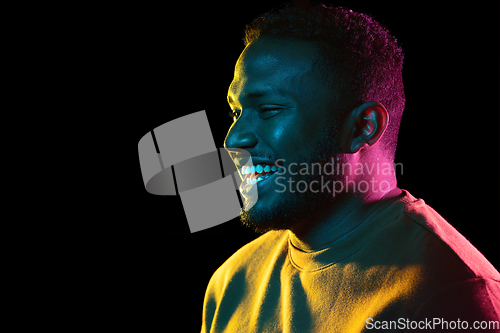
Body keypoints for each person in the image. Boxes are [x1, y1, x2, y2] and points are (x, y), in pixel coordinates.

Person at [201, 3, 500, 332]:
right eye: (236, 112)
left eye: (270, 109)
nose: (234, 139)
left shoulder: (449, 293)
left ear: (363, 127)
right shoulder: (231, 282)